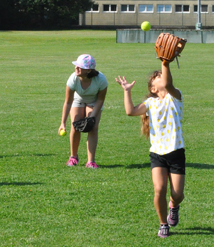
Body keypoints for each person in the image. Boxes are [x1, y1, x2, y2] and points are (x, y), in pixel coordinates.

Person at [115, 60, 185, 239]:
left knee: (177, 194)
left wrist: (165, 62)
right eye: (157, 77)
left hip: (176, 152)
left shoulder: (174, 97)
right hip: (157, 154)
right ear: (153, 89)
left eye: (161, 74)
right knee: (159, 189)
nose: (161, 76)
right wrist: (127, 91)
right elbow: (130, 111)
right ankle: (163, 224)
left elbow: (168, 83)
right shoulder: (150, 103)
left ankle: (173, 206)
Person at [59, 54, 108, 168]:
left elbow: (100, 100)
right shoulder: (73, 78)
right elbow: (68, 102)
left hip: (94, 102)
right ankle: (73, 157)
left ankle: (91, 161)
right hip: (78, 100)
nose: (76, 68)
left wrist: (92, 117)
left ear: (88, 70)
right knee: (75, 126)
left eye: (80, 67)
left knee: (93, 127)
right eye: (76, 66)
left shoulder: (101, 80)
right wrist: (63, 123)